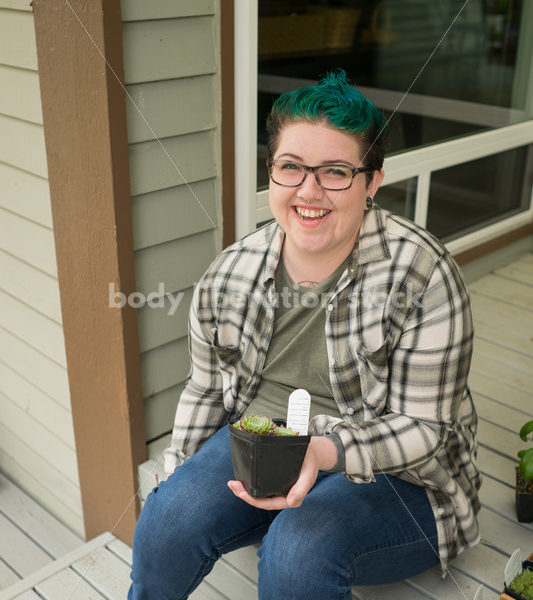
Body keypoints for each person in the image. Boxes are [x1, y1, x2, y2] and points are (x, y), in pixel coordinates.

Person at [128, 70, 481, 600]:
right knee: (166, 518)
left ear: (372, 181)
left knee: (299, 549)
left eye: (336, 171)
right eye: (291, 167)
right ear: (272, 171)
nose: (308, 192)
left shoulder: (422, 273)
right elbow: (205, 390)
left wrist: (323, 452)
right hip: (267, 439)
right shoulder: (230, 273)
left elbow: (426, 428)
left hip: (403, 475)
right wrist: (178, 480)